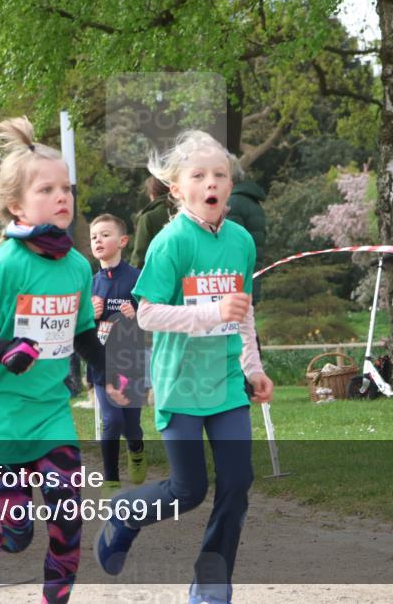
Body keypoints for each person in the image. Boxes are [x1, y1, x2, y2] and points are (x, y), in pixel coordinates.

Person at [0, 116, 119, 602]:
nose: (63, 197)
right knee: (16, 534)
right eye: (47, 189)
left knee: (67, 519)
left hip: (51, 413)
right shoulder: (0, 267)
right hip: (2, 419)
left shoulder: (77, 266)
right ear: (16, 205)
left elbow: (81, 333)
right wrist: (3, 352)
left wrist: (109, 371)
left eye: (67, 188)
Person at [94, 130, 274, 604]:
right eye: (199, 175)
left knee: (237, 484)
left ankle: (211, 583)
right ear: (177, 189)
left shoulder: (240, 240)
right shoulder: (170, 243)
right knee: (187, 491)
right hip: (180, 386)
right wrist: (209, 314)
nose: (212, 181)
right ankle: (126, 513)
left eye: (220, 175)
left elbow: (244, 309)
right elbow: (148, 312)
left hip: (228, 384)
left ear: (230, 186)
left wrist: (253, 368)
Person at [88, 213, 146, 495]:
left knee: (131, 426)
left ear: (122, 241)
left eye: (105, 234)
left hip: (131, 364)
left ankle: (136, 449)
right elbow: (78, 328)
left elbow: (153, 321)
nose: (98, 240)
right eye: (93, 236)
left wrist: (136, 315)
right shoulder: (89, 284)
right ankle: (110, 479)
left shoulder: (137, 279)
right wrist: (90, 315)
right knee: (112, 420)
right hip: (102, 363)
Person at [227, 172, 267, 304]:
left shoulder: (232, 203)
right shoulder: (252, 202)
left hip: (234, 283)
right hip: (251, 275)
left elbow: (232, 249)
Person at [130, 175, 175, 269]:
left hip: (159, 275)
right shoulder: (189, 214)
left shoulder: (148, 217)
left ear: (152, 194)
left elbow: (140, 255)